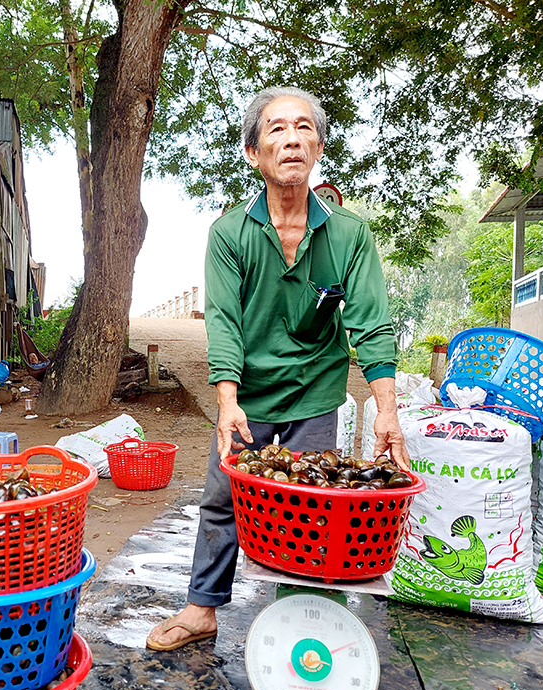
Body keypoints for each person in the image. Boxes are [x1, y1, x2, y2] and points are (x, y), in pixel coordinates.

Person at [146, 86, 410, 652]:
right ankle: (201, 610)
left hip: (316, 390)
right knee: (223, 498)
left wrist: (387, 410)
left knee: (313, 507)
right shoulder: (230, 233)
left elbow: (372, 324)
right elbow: (223, 321)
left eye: (304, 128)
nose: (292, 138)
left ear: (318, 147)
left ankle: (306, 622)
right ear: (254, 153)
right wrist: (226, 402)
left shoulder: (348, 233)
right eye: (276, 129)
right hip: (249, 394)